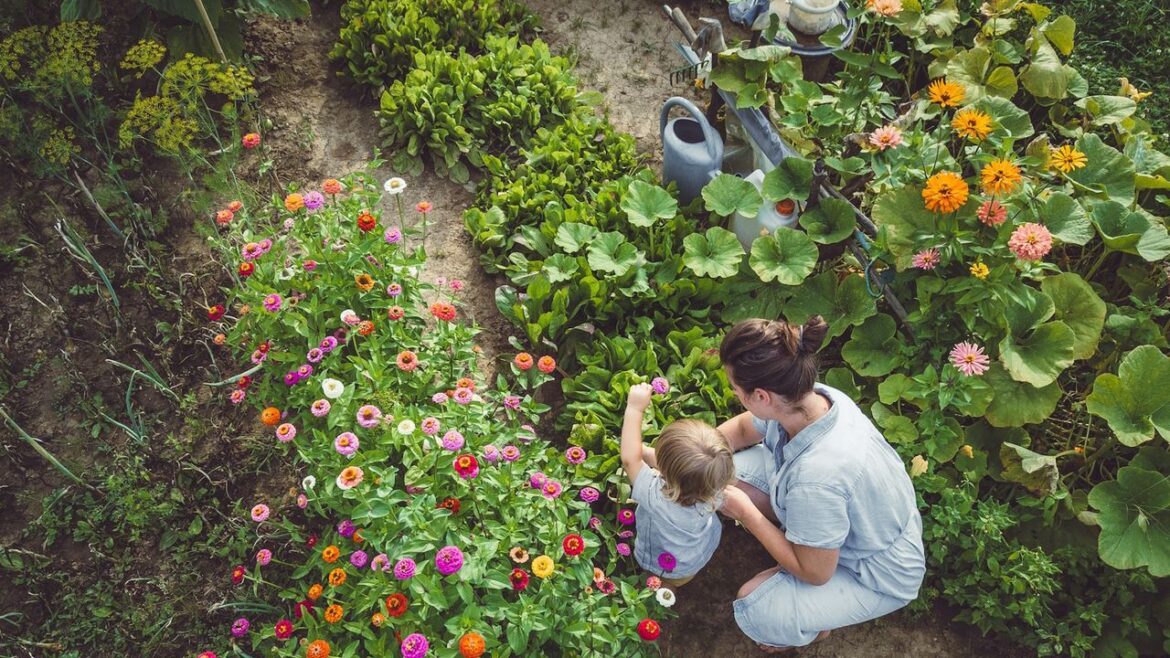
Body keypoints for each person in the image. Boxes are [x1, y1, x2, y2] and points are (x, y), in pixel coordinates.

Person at [716, 315, 925, 652]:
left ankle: (816, 626)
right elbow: (742, 431)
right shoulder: (812, 399)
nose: (734, 393)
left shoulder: (818, 478)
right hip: (855, 521)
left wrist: (745, 512)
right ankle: (803, 548)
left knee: (757, 609)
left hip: (876, 572)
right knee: (725, 474)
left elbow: (815, 573)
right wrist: (698, 451)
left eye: (736, 389)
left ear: (761, 396)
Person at [621, 382, 735, 586]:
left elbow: (630, 459)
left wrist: (635, 408)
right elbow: (684, 474)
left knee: (659, 585)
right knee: (675, 583)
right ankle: (670, 592)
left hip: (665, 563)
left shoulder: (655, 496)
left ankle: (660, 598)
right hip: (695, 555)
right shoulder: (715, 487)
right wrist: (646, 454)